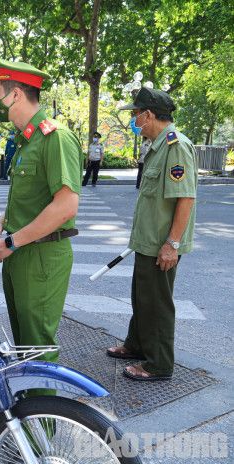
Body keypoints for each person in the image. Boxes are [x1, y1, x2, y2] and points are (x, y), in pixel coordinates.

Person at [0, 56, 82, 378]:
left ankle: (41, 424)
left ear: (16, 95)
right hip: (22, 252)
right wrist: (2, 222)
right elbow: (33, 197)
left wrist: (11, 240)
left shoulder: (55, 137)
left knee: (37, 346)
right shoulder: (26, 141)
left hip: (41, 257)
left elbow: (66, 206)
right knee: (24, 347)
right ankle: (26, 417)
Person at [108, 87, 197, 381]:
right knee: (142, 297)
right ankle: (137, 345)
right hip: (148, 242)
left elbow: (185, 198)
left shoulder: (176, 147)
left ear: (148, 114)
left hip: (162, 244)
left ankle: (159, 364)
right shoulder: (158, 145)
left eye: (136, 115)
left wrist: (172, 244)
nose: (135, 121)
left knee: (157, 303)